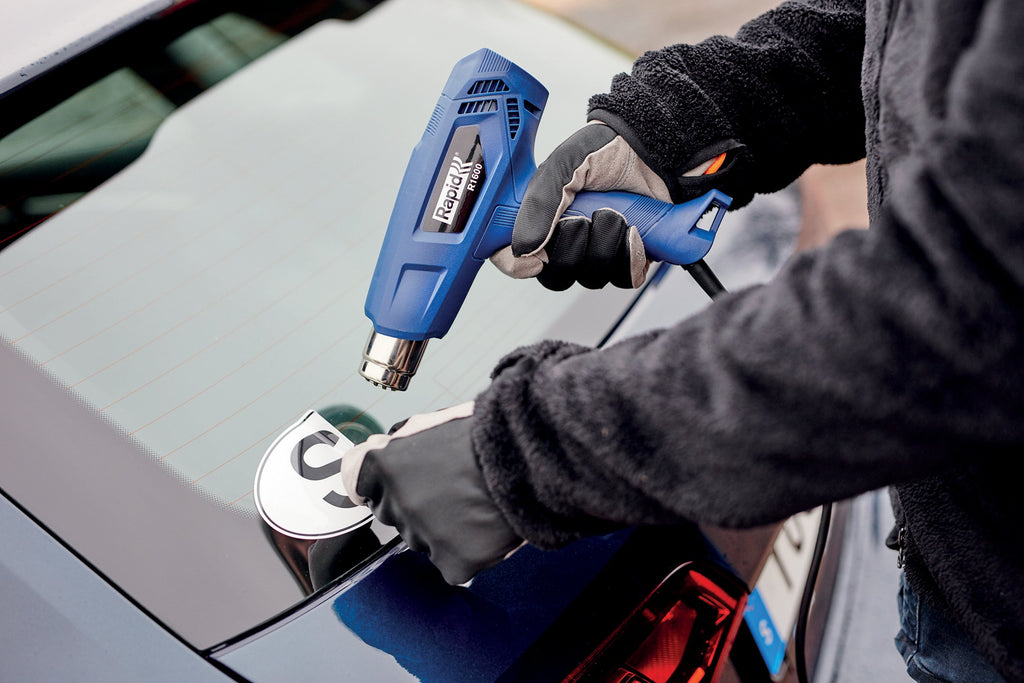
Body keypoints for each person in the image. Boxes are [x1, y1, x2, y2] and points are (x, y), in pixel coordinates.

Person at [340, 0, 1024, 680]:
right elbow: (905, 25)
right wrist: (682, 123)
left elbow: (965, 308)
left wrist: (528, 453)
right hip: (969, 559)